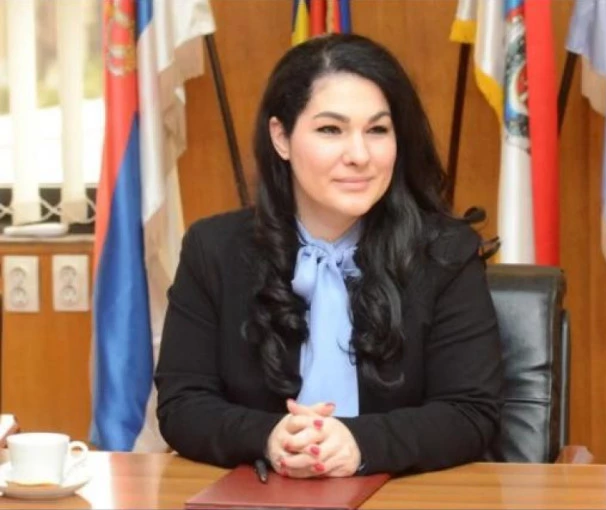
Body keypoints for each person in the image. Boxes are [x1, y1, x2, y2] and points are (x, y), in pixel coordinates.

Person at [155, 33, 502, 478]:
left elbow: (471, 412)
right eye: (330, 130)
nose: (359, 155)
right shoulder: (214, 249)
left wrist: (359, 443)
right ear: (281, 137)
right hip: (260, 498)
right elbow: (182, 404)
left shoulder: (446, 253)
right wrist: (269, 436)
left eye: (377, 130)